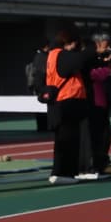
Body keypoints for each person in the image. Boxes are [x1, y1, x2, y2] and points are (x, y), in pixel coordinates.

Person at [43, 26, 94, 183]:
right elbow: (82, 60)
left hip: (59, 100)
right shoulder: (63, 56)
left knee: (63, 140)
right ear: (70, 42)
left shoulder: (52, 55)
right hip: (68, 100)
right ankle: (63, 173)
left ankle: (62, 172)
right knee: (68, 139)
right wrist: (92, 49)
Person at [86, 35, 111, 177]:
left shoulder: (100, 59)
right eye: (106, 46)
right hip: (93, 101)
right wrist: (109, 69)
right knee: (97, 135)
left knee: (105, 135)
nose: (108, 49)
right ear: (97, 44)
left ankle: (103, 163)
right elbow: (93, 74)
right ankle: (95, 165)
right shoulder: (88, 58)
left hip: (103, 100)